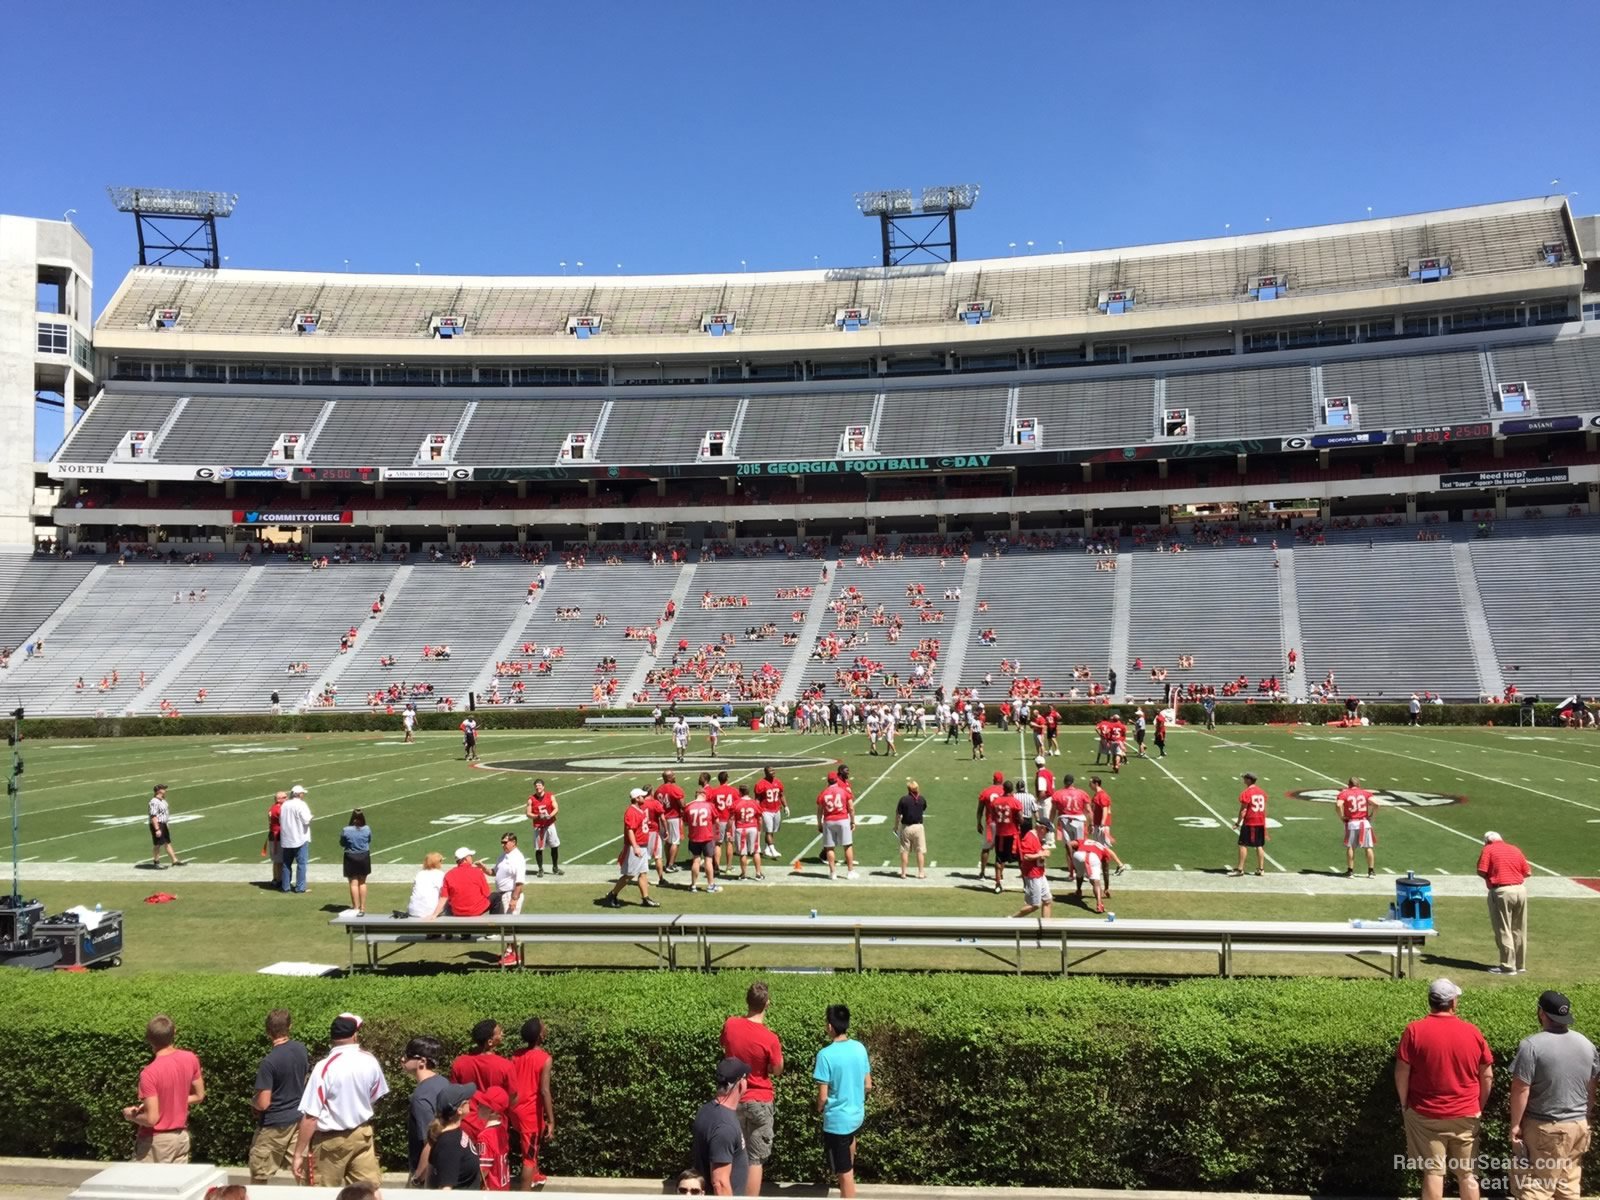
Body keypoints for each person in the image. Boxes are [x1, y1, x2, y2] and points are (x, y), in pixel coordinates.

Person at [1395, 979, 1493, 1200]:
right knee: (1467, 1173)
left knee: (1433, 1171)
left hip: (1426, 1114)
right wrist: (1479, 1106)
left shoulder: (1414, 1031)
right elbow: (1487, 1074)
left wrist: (1404, 1104)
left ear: (1430, 1001)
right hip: (1466, 1114)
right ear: (1453, 1003)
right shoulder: (1472, 1032)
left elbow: (1402, 1072)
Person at [1508, 990, 1598, 1200]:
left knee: (1535, 1186)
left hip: (1546, 1129)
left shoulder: (1531, 1046)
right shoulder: (1586, 1044)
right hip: (1578, 1126)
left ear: (1541, 1013)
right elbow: (1592, 1085)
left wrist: (1515, 1125)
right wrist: (1585, 1113)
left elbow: (1521, 1089)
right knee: (1567, 1186)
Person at [293, 1013, 389, 1190]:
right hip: (362, 1134)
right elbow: (375, 1095)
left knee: (322, 1194)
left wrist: (298, 1153)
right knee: (368, 1191)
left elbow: (311, 1116)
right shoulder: (369, 1060)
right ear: (355, 1035)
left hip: (330, 1142)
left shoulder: (325, 1067)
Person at [721, 982, 784, 1196]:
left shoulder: (730, 1024)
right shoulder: (770, 1038)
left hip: (732, 1097)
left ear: (747, 1001)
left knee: (731, 1152)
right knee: (755, 1158)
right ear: (767, 1004)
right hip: (760, 1099)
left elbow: (726, 1049)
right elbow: (777, 1069)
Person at [123, 1014, 205, 1164]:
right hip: (181, 1138)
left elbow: (151, 1119)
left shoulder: (149, 1073)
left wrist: (131, 1115)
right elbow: (199, 1096)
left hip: (156, 1142)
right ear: (174, 1032)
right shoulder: (190, 1058)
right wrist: (173, 1102)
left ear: (148, 1039)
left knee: (147, 1185)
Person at [814, 1004, 871, 1199]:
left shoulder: (825, 1055)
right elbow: (868, 1084)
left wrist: (819, 1108)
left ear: (830, 1026)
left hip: (837, 1122)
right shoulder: (860, 1048)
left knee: (844, 1174)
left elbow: (822, 1097)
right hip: (856, 1115)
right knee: (850, 1141)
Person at [249, 1009, 308, 1184]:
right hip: (298, 1120)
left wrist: (253, 1101)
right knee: (301, 1172)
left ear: (268, 1031)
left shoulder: (269, 1062)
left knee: (260, 1175)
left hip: (273, 1125)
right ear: (290, 1026)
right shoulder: (301, 1049)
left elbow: (264, 1103)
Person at [691, 1058, 750, 1197]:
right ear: (740, 1084)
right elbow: (720, 1183)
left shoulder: (706, 1110)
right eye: (746, 1078)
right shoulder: (725, 1127)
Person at [509, 1018, 554, 1191]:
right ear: (540, 1035)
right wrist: (551, 1121)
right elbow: (544, 1091)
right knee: (528, 1156)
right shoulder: (545, 1059)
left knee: (529, 1144)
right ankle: (525, 1193)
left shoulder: (516, 1054)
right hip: (529, 1114)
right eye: (544, 1026)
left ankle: (535, 1174)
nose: (546, 1027)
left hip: (515, 1110)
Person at [1477, 831, 1532, 974]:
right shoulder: (1515, 849)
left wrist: (1490, 880)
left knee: (1503, 928)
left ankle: (1507, 966)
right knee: (1519, 928)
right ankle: (1520, 965)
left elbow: (1481, 870)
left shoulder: (1488, 849)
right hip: (1520, 890)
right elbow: (1527, 872)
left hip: (1502, 891)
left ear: (1487, 841)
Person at [402, 1035, 450, 1184]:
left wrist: (417, 1178)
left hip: (431, 1173)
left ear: (422, 1061)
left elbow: (430, 1142)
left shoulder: (421, 1097)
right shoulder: (443, 1082)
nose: (402, 1059)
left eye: (407, 1056)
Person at [602, 788, 661, 908]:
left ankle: (645, 898)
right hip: (636, 847)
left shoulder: (639, 810)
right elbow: (630, 831)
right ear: (636, 798)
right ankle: (612, 895)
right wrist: (635, 846)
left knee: (643, 873)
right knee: (629, 875)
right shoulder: (631, 811)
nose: (644, 798)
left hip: (642, 846)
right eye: (642, 796)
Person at [423, 1082, 484, 1190]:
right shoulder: (449, 1144)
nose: (470, 1100)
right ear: (459, 1110)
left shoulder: (455, 1133)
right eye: (466, 1100)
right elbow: (445, 1191)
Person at [493, 833, 527, 967]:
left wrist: (514, 898)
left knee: (511, 926)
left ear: (513, 842)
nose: (503, 845)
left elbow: (519, 882)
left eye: (505, 842)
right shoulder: (503, 856)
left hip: (511, 894)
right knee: (506, 925)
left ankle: (514, 955)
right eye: (502, 842)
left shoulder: (517, 858)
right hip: (503, 894)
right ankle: (509, 950)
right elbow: (495, 872)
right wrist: (484, 869)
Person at [816, 770, 857, 881]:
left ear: (828, 781)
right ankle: (850, 871)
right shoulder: (843, 791)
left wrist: (819, 823)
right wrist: (853, 821)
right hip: (842, 819)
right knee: (847, 845)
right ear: (836, 780)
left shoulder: (824, 793)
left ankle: (833, 873)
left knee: (829, 848)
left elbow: (819, 811)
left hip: (829, 821)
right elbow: (851, 808)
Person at [1230, 772, 1269, 877]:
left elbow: (1243, 810)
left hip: (1250, 822)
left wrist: (1237, 823)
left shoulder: (1247, 793)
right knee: (1259, 845)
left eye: (1245, 778)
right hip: (1261, 822)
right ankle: (1261, 869)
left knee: (1243, 844)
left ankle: (1240, 869)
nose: (1243, 780)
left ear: (1249, 780)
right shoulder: (1262, 792)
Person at [1337, 776, 1377, 878]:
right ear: (1359, 784)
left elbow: (1338, 805)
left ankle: (1350, 871)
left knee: (1351, 847)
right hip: (1364, 822)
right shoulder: (1365, 793)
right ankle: (1371, 871)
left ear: (1348, 784)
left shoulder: (1344, 793)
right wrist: (1372, 815)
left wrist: (1342, 817)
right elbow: (1376, 804)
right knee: (1368, 847)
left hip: (1352, 823)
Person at [435, 847, 491, 918]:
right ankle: (497, 925)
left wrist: (434, 914)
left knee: (449, 903)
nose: (472, 858)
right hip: (476, 910)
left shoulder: (449, 874)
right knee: (497, 897)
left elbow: (444, 897)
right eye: (470, 856)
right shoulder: (477, 872)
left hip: (457, 911)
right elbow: (487, 893)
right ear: (466, 859)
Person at [1013, 817, 1052, 918]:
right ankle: (1011, 919)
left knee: (1047, 900)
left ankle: (1046, 928)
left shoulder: (1036, 837)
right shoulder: (1029, 837)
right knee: (1034, 905)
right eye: (1047, 831)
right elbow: (1026, 856)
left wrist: (1043, 852)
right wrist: (1041, 854)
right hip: (1033, 875)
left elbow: (1036, 852)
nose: (1047, 833)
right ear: (1042, 828)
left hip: (1040, 874)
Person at [686, 788, 722, 894]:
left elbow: (686, 823)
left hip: (694, 837)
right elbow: (717, 821)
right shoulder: (709, 805)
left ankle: (693, 885)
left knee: (696, 860)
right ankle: (710, 885)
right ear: (703, 794)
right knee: (708, 861)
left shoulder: (689, 806)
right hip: (707, 836)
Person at [279, 785, 313, 894]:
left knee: (286, 863)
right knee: (301, 864)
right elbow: (306, 820)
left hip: (286, 838)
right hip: (299, 838)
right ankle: (300, 887)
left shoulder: (285, 805)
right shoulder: (301, 805)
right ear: (300, 794)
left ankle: (285, 886)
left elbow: (281, 819)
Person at [526, 780, 562, 877]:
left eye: (540, 786)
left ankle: (555, 867)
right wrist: (537, 816)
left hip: (549, 824)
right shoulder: (531, 799)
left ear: (543, 786)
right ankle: (540, 869)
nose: (538, 788)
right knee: (539, 848)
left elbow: (556, 808)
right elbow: (528, 813)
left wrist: (550, 816)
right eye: (536, 786)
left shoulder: (550, 796)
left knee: (554, 846)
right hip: (539, 826)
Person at [340, 809, 372, 916]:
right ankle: (363, 907)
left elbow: (342, 843)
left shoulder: (346, 830)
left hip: (351, 856)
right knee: (362, 882)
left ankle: (356, 907)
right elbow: (369, 840)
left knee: (353, 883)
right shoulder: (367, 829)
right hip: (364, 856)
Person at [894, 780, 927, 879]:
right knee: (920, 850)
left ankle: (903, 873)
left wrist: (896, 826)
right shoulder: (921, 799)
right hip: (918, 827)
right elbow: (924, 808)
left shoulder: (903, 799)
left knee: (905, 850)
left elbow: (898, 814)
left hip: (906, 827)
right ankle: (921, 873)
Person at [148, 784, 186, 870]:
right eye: (164, 789)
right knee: (157, 844)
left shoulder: (163, 801)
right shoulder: (154, 801)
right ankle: (156, 862)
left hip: (163, 824)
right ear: (159, 791)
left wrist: (166, 824)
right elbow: (153, 816)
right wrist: (157, 829)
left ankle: (174, 860)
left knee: (167, 842)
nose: (166, 791)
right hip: (157, 824)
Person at [408, 852, 447, 918]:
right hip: (430, 912)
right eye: (440, 861)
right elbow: (444, 895)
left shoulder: (419, 874)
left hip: (413, 910)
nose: (441, 863)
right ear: (437, 862)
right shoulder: (440, 874)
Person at [265, 791, 286, 888]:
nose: (287, 798)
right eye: (284, 797)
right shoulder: (279, 809)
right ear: (279, 799)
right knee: (279, 860)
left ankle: (275, 878)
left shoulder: (272, 807)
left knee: (276, 860)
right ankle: (279, 880)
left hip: (273, 835)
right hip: (278, 836)